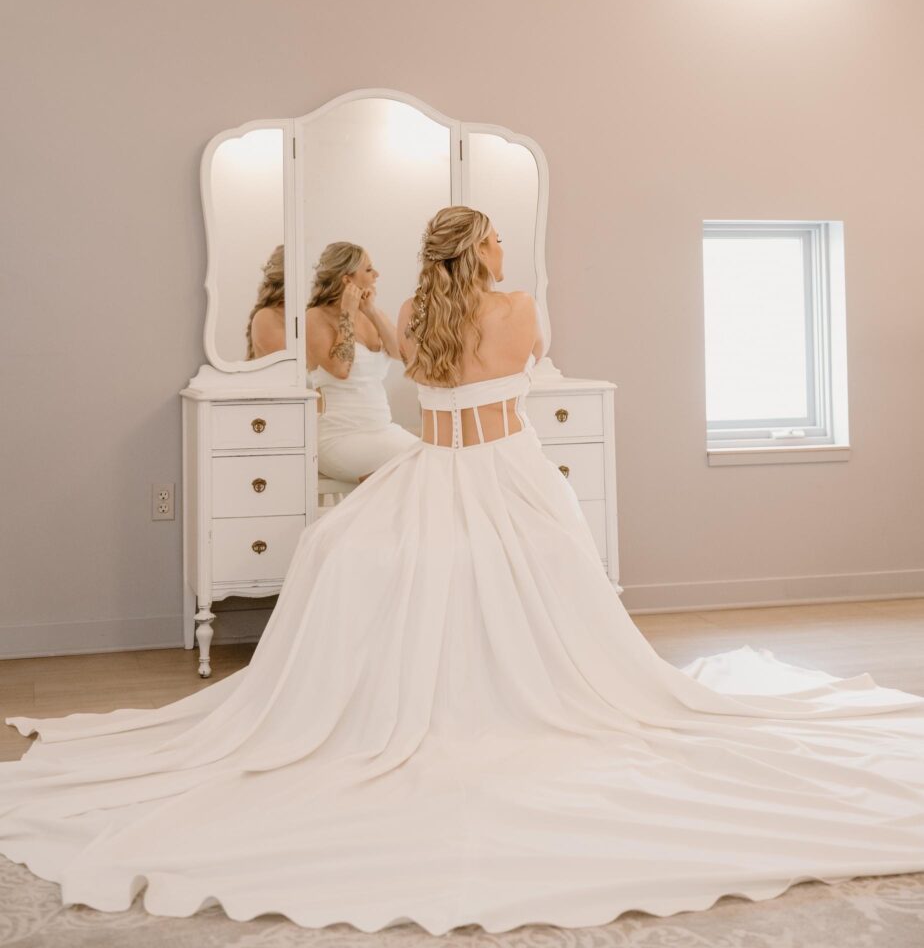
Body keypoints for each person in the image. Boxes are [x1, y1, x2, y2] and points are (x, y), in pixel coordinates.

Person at [1, 206, 923, 937]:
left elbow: (421, 366)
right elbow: (520, 368)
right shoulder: (518, 310)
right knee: (550, 568)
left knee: (340, 546)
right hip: (504, 469)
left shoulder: (407, 311)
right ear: (479, 251)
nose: (504, 248)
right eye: (495, 237)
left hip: (430, 470)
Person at [306, 241, 418, 482]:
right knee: (409, 472)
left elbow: (401, 354)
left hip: (382, 429)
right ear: (347, 280)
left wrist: (371, 311)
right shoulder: (315, 317)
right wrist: (347, 311)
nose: (376, 275)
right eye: (369, 270)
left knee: (433, 460)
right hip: (339, 437)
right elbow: (340, 369)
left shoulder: (369, 315)